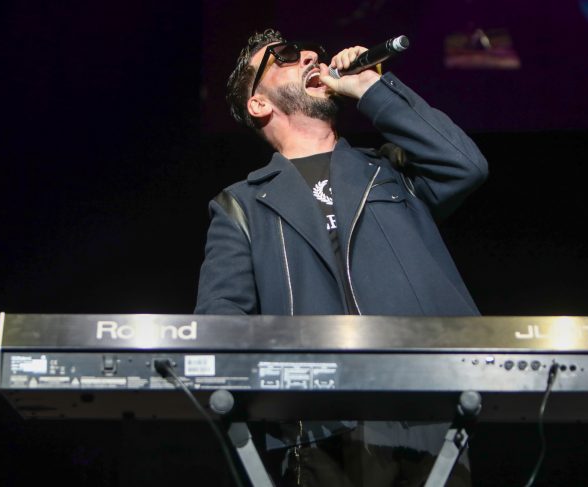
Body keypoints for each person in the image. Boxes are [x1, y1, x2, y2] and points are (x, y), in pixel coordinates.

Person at [195, 28, 488, 486]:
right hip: (318, 432)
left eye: (308, 50)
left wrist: (371, 88)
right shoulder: (242, 205)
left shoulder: (391, 170)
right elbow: (221, 320)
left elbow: (465, 166)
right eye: (284, 56)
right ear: (258, 104)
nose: (311, 55)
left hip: (427, 414)